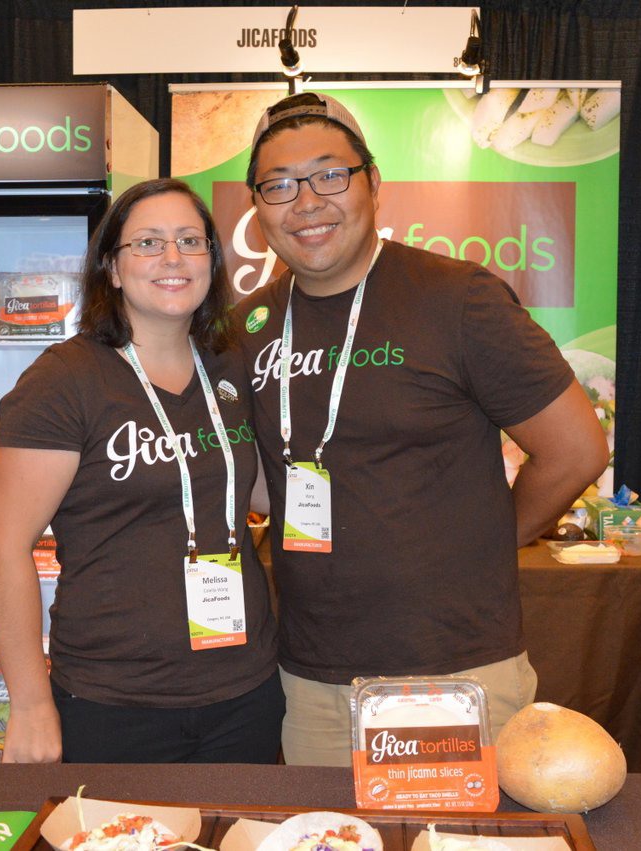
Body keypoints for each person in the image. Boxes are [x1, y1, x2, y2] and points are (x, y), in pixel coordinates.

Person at [232, 93, 609, 765]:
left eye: (330, 175)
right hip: (310, 678)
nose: (307, 201)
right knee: (325, 826)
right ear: (257, 208)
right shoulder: (248, 326)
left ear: (373, 183)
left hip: (452, 671)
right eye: (279, 185)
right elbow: (261, 479)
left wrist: (492, 540)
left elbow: (576, 450)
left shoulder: (457, 298)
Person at [0, 178, 282, 764]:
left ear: (211, 261)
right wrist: (31, 703)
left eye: (190, 241)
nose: (173, 258)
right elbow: (2, 545)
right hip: (112, 702)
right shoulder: (63, 381)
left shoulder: (230, 366)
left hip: (244, 690)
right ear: (112, 269)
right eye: (147, 242)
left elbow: (257, 489)